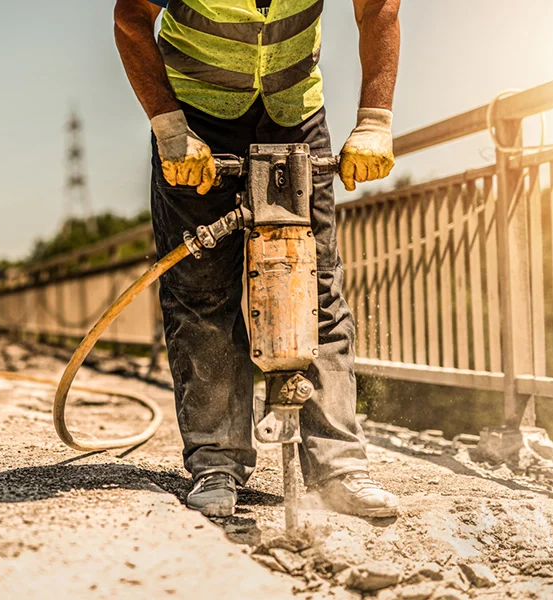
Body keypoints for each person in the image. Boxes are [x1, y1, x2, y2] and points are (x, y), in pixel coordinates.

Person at [114, 0, 401, 518]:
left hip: (293, 114)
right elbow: (131, 17)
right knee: (202, 293)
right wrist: (170, 129)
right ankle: (217, 462)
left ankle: (337, 467)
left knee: (315, 287)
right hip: (196, 118)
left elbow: (378, 8)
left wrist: (375, 120)